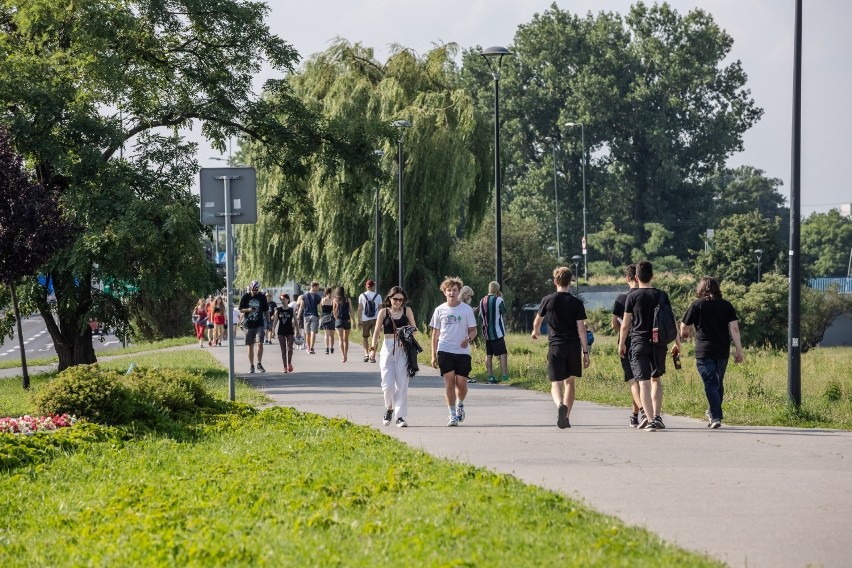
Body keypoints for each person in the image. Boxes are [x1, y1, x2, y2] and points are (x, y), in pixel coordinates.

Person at [618, 260, 681, 432]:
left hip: (638, 343)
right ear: (653, 276)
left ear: (636, 277)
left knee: (643, 382)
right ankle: (658, 417)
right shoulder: (662, 295)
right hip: (658, 343)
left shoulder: (632, 296)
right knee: (656, 380)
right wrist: (677, 343)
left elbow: (625, 324)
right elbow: (672, 321)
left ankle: (650, 418)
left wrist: (622, 343)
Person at [680, 276, 744, 429]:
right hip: (722, 350)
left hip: (704, 350)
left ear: (701, 289)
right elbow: (734, 329)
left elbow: (683, 325)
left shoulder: (697, 305)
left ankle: (715, 416)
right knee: (717, 383)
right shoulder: (726, 306)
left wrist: (685, 334)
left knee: (710, 383)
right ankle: (713, 412)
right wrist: (739, 350)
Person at [531, 266, 590, 429]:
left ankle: (559, 406)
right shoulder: (577, 303)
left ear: (555, 281)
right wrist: (585, 352)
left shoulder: (548, 300)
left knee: (556, 383)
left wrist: (535, 332)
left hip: (556, 346)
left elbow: (537, 322)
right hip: (572, 347)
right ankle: (566, 417)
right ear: (570, 282)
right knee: (569, 382)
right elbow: (581, 329)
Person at [429, 277, 478, 427]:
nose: (451, 292)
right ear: (444, 292)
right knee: (449, 381)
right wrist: (433, 355)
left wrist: (468, 338)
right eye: (449, 290)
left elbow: (473, 330)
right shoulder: (439, 310)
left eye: (454, 290)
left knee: (461, 383)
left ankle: (460, 404)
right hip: (444, 349)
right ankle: (452, 414)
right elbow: (435, 334)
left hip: (462, 351)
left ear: (458, 292)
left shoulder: (466, 309)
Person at [369, 286, 417, 428]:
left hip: (403, 348)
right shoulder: (384, 312)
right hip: (388, 346)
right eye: (395, 299)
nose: (398, 302)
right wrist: (372, 349)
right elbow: (377, 331)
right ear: (389, 299)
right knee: (387, 383)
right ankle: (389, 407)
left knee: (402, 382)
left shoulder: (407, 311)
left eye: (401, 300)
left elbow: (414, 328)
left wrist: (406, 335)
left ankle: (400, 416)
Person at [612, 264, 644, 427]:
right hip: (645, 341)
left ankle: (643, 412)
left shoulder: (621, 298)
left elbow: (614, 324)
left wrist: (623, 337)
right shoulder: (647, 296)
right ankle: (634, 415)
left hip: (627, 342)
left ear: (628, 278)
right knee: (642, 380)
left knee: (632, 380)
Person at [479, 281, 508, 384]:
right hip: (497, 332)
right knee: (503, 353)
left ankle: (490, 376)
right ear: (497, 290)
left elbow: (480, 316)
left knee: (489, 354)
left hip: (486, 332)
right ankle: (505, 376)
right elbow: (503, 312)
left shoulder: (482, 300)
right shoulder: (499, 300)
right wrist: (502, 298)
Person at [238, 280, 268, 373]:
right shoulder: (246, 297)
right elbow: (241, 310)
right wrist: (248, 310)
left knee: (260, 343)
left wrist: (269, 323)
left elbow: (266, 310)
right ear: (250, 288)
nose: (255, 291)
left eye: (257, 289)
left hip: (259, 323)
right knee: (250, 345)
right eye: (254, 289)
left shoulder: (262, 297)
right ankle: (252, 365)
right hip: (248, 324)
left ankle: (259, 363)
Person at [357, 279, 382, 362]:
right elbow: (380, 309)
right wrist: (381, 322)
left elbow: (360, 309)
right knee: (375, 337)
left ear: (366, 287)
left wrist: (359, 320)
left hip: (365, 319)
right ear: (373, 286)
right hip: (376, 319)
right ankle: (373, 355)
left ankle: (366, 354)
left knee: (365, 337)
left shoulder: (362, 295)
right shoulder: (378, 296)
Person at [297, 282, 322, 354]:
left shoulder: (304, 296)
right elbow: (320, 307)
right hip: (314, 315)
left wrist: (298, 316)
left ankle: (308, 348)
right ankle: (311, 348)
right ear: (313, 286)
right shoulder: (317, 296)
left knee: (307, 333)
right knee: (313, 332)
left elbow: (301, 306)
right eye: (317, 287)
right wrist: (321, 314)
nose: (318, 289)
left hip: (306, 316)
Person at [273, 292, 296, 373]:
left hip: (290, 331)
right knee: (283, 350)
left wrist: (298, 332)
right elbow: (275, 321)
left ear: (288, 300)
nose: (283, 301)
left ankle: (289, 363)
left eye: (284, 299)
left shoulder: (291, 310)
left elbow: (295, 321)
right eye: (281, 300)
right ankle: (285, 367)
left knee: (290, 349)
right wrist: (273, 330)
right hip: (281, 331)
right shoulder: (278, 310)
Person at [333, 285, 353, 362]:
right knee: (346, 339)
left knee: (340, 339)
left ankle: (343, 356)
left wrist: (336, 318)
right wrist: (353, 321)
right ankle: (346, 354)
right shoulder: (348, 300)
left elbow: (334, 312)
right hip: (347, 320)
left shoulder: (335, 300)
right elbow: (351, 311)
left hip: (339, 320)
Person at [319, 286, 336, 355]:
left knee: (326, 334)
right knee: (332, 335)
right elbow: (334, 309)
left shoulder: (323, 300)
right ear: (331, 292)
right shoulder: (333, 300)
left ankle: (327, 348)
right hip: (332, 317)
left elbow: (321, 310)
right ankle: (332, 348)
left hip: (325, 317)